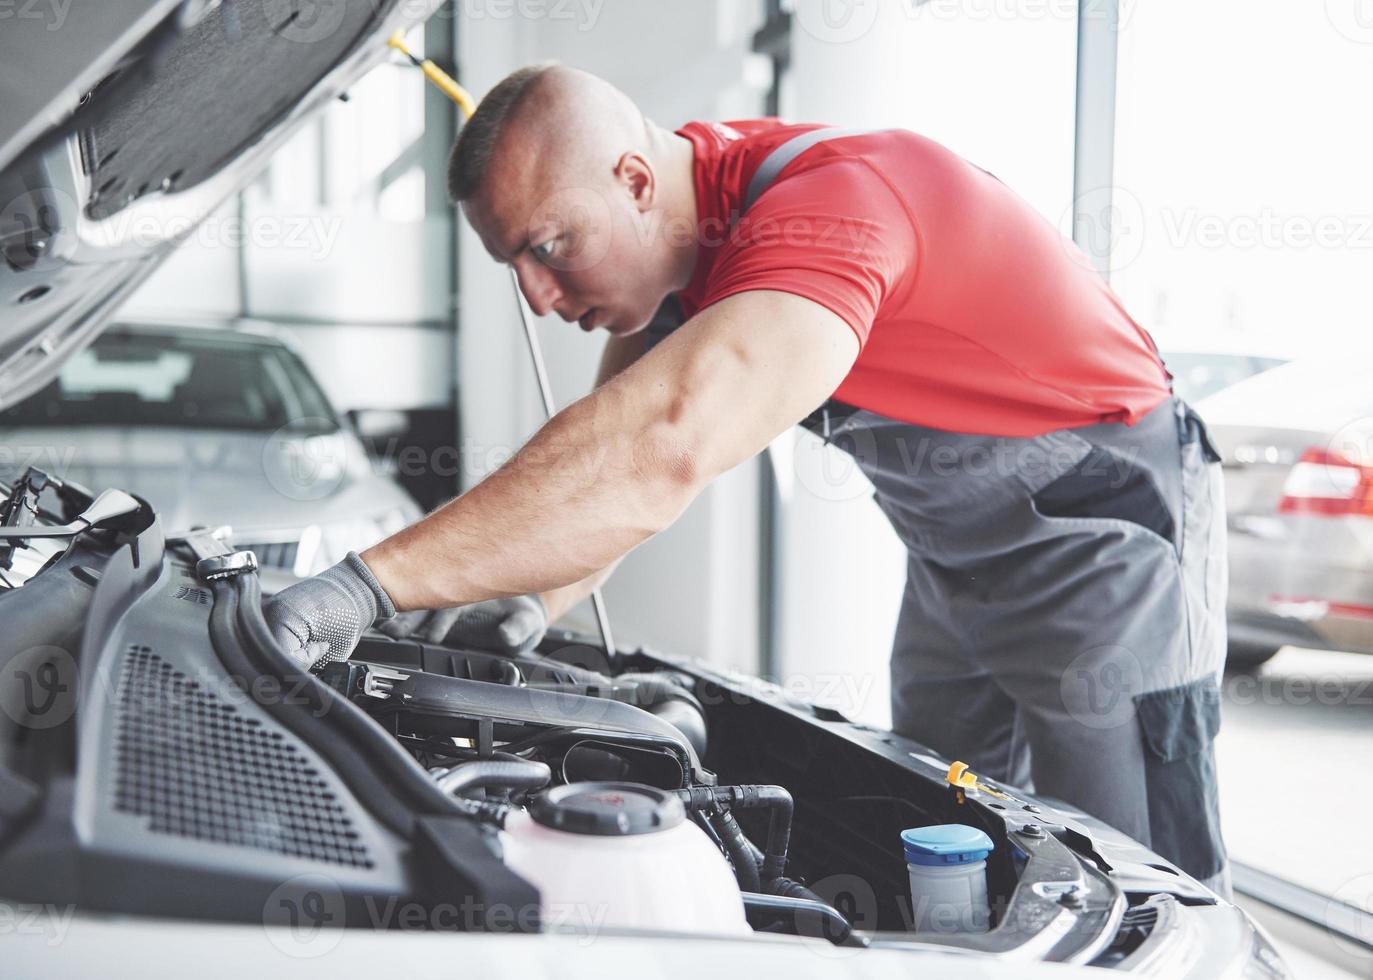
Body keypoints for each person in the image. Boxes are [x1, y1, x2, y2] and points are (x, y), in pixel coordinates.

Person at [264, 64, 1230, 893]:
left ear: (636, 180)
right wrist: (518, 608)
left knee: (1134, 871)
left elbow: (653, 447)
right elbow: (603, 474)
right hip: (954, 556)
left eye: (546, 247)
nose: (537, 296)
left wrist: (363, 585)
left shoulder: (836, 209)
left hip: (1105, 533)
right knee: (948, 832)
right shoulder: (686, 244)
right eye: (511, 263)